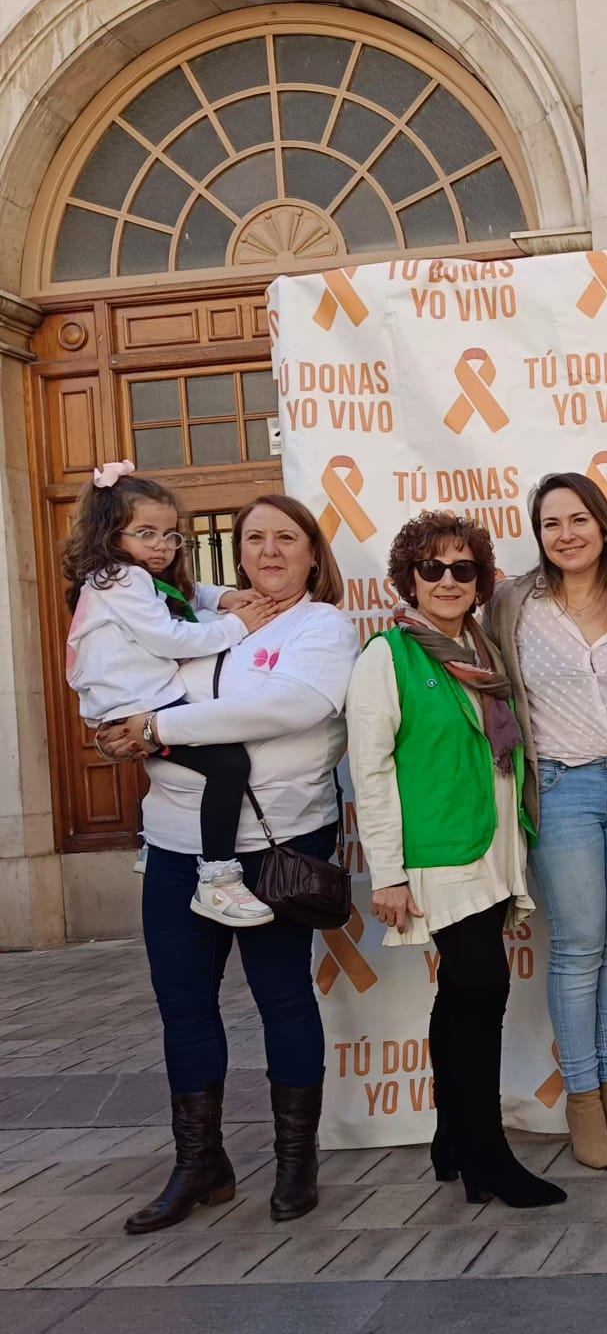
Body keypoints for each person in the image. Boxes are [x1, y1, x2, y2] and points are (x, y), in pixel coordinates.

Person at [96, 496, 354, 1233]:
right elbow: (133, 678)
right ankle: (200, 1162)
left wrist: (157, 727)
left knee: (281, 998)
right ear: (236, 551)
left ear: (312, 552)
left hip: (278, 848)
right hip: (177, 844)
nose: (268, 552)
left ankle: (295, 1159)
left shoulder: (324, 625)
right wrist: (121, 728)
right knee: (183, 1004)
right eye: (253, 539)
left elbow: (286, 708)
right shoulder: (202, 623)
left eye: (285, 538)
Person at [348, 511, 565, 1209]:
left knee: (466, 994)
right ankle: (488, 1157)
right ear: (408, 577)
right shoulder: (388, 656)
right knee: (482, 988)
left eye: (462, 568)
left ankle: (451, 1134)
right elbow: (371, 769)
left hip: (496, 844)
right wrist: (386, 872)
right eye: (432, 568)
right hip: (441, 854)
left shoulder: (483, 647)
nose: (447, 580)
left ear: (479, 581)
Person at [489, 473, 607, 1171]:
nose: (565, 534)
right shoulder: (513, 604)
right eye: (550, 523)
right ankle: (584, 1098)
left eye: (578, 520)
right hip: (560, 786)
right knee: (577, 946)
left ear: (602, 526)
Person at [63, 462, 279, 924]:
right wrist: (237, 625)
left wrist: (221, 598)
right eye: (146, 534)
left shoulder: (125, 578)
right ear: (111, 533)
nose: (161, 546)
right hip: (138, 706)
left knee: (194, 764)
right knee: (229, 763)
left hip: (134, 700)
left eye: (170, 535)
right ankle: (218, 878)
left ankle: (152, 843)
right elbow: (170, 638)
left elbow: (184, 592)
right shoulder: (123, 579)